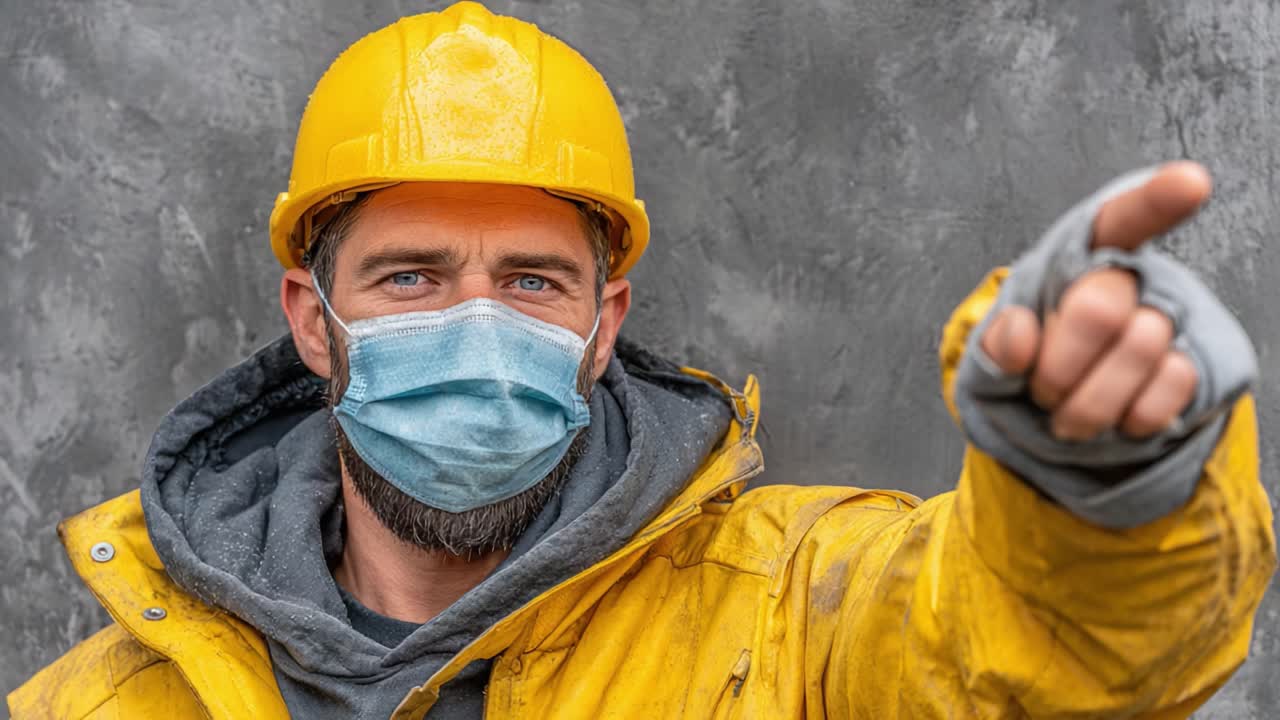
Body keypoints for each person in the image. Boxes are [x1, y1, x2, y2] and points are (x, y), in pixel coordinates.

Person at [10, 3, 1275, 718]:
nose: (475, 324)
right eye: (410, 276)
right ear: (308, 316)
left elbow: (1033, 653)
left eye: (531, 282)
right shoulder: (102, 705)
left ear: (604, 323)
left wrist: (1105, 488)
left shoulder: (789, 611)